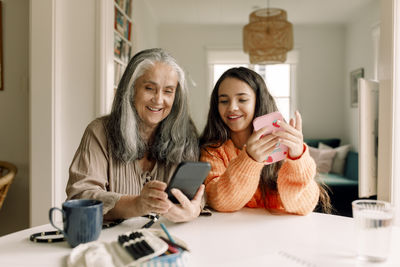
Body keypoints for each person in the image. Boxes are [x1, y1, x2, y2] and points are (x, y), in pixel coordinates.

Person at [66, 48, 204, 223]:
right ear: (131, 90)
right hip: (109, 244)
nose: (159, 99)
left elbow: (201, 192)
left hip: (167, 241)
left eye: (168, 91)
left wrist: (194, 208)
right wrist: (137, 204)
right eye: (149, 88)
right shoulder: (99, 131)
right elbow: (80, 196)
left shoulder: (186, 137)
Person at [199, 67, 330, 215]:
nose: (232, 107)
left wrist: (298, 158)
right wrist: (250, 159)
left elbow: (302, 207)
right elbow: (220, 201)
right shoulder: (213, 151)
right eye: (223, 101)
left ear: (258, 101)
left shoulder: (283, 144)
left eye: (242, 99)